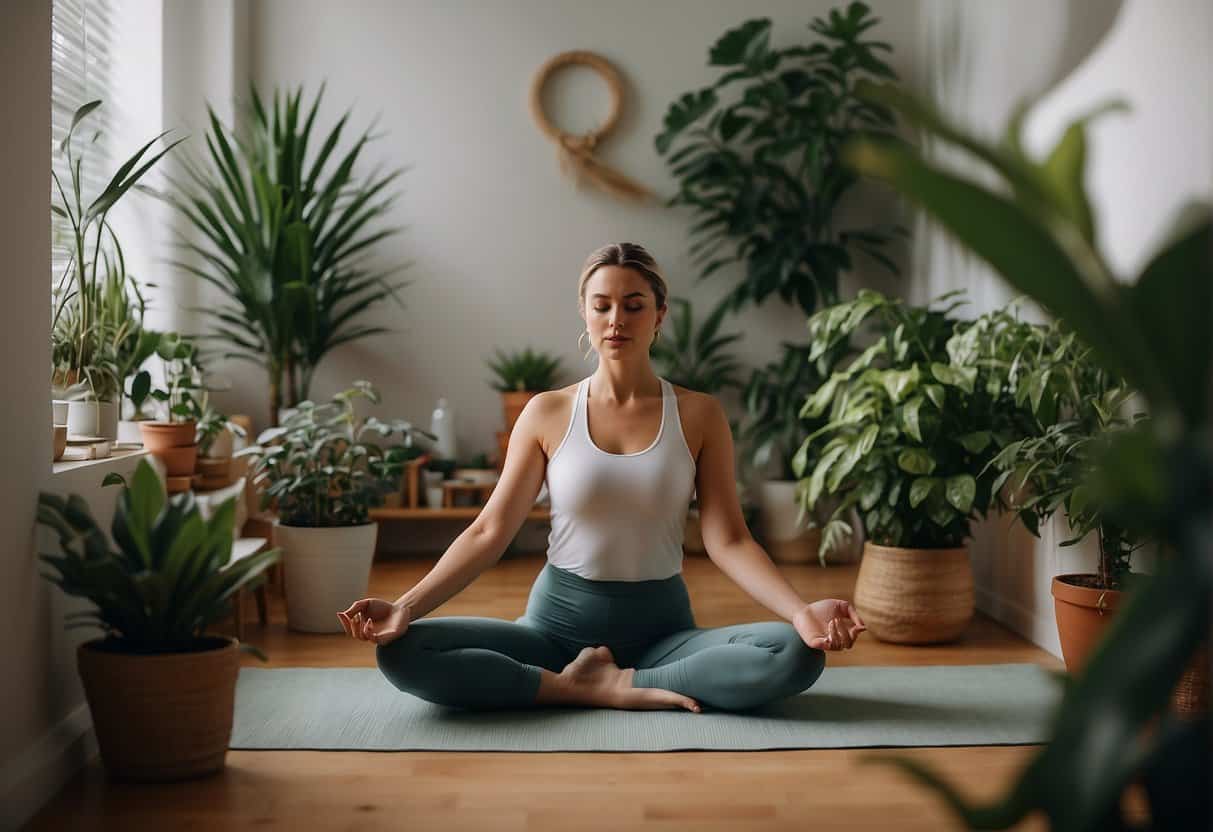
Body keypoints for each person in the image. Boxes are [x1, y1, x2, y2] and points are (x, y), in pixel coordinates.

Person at [337, 242, 866, 713]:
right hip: (552, 631)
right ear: (585, 314)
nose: (617, 319)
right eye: (603, 305)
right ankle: (574, 687)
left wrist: (801, 613)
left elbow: (727, 538)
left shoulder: (700, 415)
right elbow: (488, 530)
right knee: (403, 651)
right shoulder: (546, 412)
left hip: (664, 635)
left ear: (660, 316)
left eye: (634, 306)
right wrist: (404, 608)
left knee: (796, 654)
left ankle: (621, 683)